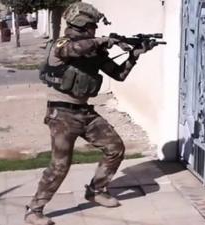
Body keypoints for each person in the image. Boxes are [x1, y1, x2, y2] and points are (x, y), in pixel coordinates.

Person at [25, 2, 156, 225]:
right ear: (83, 24)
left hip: (85, 112)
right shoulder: (62, 43)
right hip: (62, 113)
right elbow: (72, 50)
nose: (96, 30)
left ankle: (96, 190)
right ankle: (34, 210)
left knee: (115, 148)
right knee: (60, 164)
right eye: (93, 26)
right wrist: (105, 41)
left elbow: (118, 74)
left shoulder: (94, 50)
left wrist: (134, 55)